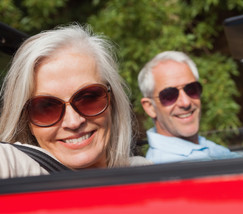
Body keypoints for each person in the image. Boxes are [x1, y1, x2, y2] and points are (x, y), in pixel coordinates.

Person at [0, 24, 151, 179]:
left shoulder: (142, 171)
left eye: (89, 99)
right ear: (26, 121)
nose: (73, 122)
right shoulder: (16, 165)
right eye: (46, 108)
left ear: (111, 100)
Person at [138, 51, 240, 163]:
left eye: (191, 89)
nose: (185, 102)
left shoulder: (205, 148)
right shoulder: (169, 167)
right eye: (169, 95)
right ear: (150, 107)